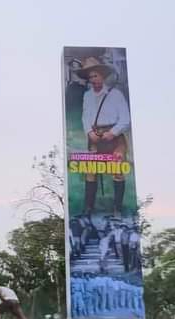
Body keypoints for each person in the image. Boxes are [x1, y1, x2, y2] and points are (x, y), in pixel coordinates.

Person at [78, 57, 131, 216]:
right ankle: (88, 208)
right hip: (95, 137)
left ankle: (117, 209)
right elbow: (85, 116)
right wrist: (89, 132)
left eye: (95, 76)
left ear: (102, 75)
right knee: (91, 171)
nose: (93, 80)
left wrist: (113, 132)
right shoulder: (87, 96)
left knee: (117, 171)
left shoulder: (116, 95)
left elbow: (125, 119)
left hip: (114, 138)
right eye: (90, 77)